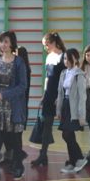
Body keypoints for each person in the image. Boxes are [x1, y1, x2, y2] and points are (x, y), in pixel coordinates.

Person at [0, 31, 28, 181]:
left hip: (12, 105)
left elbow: (23, 86)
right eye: (1, 41)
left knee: (15, 139)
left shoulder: (19, 62)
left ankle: (18, 166)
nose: (3, 44)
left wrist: (5, 95)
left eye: (6, 41)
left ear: (12, 44)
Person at [31, 32, 66, 167]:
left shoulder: (64, 56)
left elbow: (65, 79)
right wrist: (44, 94)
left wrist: (59, 96)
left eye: (47, 44)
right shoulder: (49, 57)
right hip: (49, 93)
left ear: (54, 43)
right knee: (46, 125)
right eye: (44, 45)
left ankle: (76, 156)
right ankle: (43, 155)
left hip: (60, 94)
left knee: (66, 128)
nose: (45, 47)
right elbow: (47, 77)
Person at [56, 49, 88, 174]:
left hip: (73, 107)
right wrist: (58, 110)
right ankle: (73, 161)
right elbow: (60, 93)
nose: (66, 61)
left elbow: (82, 96)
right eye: (64, 58)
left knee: (67, 134)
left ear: (75, 59)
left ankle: (78, 158)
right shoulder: (63, 73)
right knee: (67, 134)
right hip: (65, 105)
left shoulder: (79, 75)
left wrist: (81, 115)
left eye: (68, 58)